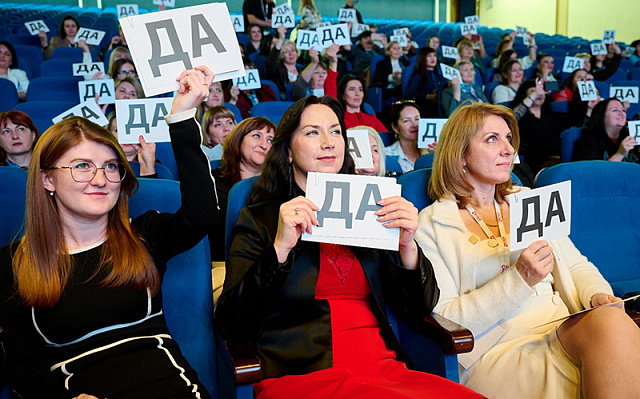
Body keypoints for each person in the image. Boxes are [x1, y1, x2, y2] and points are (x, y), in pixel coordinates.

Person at [215, 95, 482, 399]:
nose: (328, 142)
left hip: (383, 369)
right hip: (301, 375)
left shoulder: (374, 210)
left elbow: (420, 308)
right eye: (312, 132)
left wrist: (408, 249)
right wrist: (279, 248)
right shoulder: (261, 217)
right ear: (288, 150)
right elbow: (232, 322)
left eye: (336, 131)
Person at [0, 67, 217, 398]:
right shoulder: (13, 263)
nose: (100, 179)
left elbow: (201, 216)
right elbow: (23, 367)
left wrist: (183, 117)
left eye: (111, 166)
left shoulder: (144, 235)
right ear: (47, 179)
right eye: (82, 166)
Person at [414, 102, 640, 398]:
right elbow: (446, 317)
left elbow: (576, 266)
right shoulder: (431, 225)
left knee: (612, 321)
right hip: (495, 350)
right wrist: (520, 278)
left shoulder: (528, 199)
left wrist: (595, 295)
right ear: (460, 154)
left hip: (561, 328)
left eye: (508, 138)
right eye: (492, 139)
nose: (508, 149)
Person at [209, 117, 275, 261]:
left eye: (270, 140)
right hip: (221, 264)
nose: (264, 145)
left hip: (265, 266)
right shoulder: (213, 181)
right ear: (238, 140)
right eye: (257, 136)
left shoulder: (277, 188)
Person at [511, 80, 561, 174]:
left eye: (542, 91)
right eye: (533, 91)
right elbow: (511, 119)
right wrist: (535, 94)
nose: (539, 94)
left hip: (553, 159)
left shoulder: (550, 115)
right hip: (530, 161)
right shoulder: (520, 116)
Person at [573, 97, 638, 163]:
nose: (621, 113)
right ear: (601, 115)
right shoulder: (588, 142)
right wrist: (620, 154)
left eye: (623, 110)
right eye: (615, 110)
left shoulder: (631, 136)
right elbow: (594, 172)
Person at [107, 112, 157, 177]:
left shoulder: (157, 167)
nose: (125, 135)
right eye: (118, 130)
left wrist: (147, 168)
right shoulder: (102, 166)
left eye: (131, 129)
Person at [405, 47, 445, 118]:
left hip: (438, 109)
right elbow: (409, 93)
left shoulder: (439, 76)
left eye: (434, 55)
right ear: (423, 58)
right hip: (425, 110)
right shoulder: (418, 76)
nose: (433, 58)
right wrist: (428, 96)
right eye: (429, 56)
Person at [267, 25, 302, 96]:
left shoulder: (302, 69)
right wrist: (281, 38)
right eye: (286, 52)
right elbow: (271, 62)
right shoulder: (278, 70)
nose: (290, 54)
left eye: (293, 50)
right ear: (282, 55)